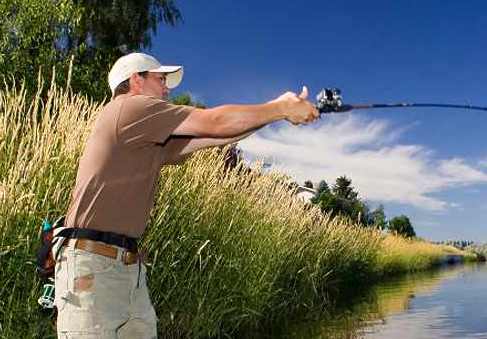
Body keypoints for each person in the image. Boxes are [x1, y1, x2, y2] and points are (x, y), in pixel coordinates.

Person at [53, 52, 319, 338]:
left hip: (127, 268)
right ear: (136, 80)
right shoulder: (130, 108)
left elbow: (220, 135)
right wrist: (279, 110)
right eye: (161, 79)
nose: (168, 89)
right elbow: (215, 122)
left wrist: (276, 107)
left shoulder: (150, 134)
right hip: (91, 269)